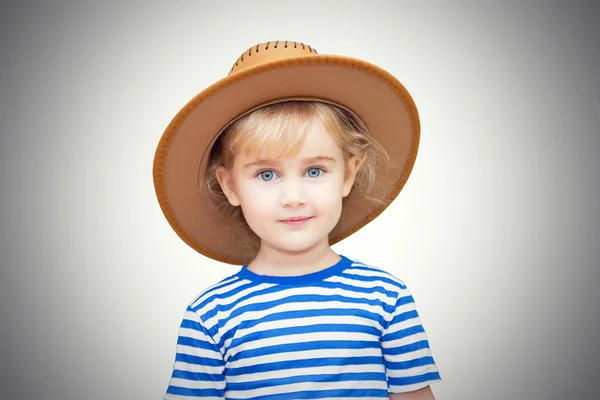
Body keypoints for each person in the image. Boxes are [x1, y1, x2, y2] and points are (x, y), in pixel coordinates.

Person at [153, 40, 442, 399]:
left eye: (315, 170)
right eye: (267, 175)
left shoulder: (386, 298)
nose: (293, 198)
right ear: (230, 186)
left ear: (348, 175)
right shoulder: (211, 316)